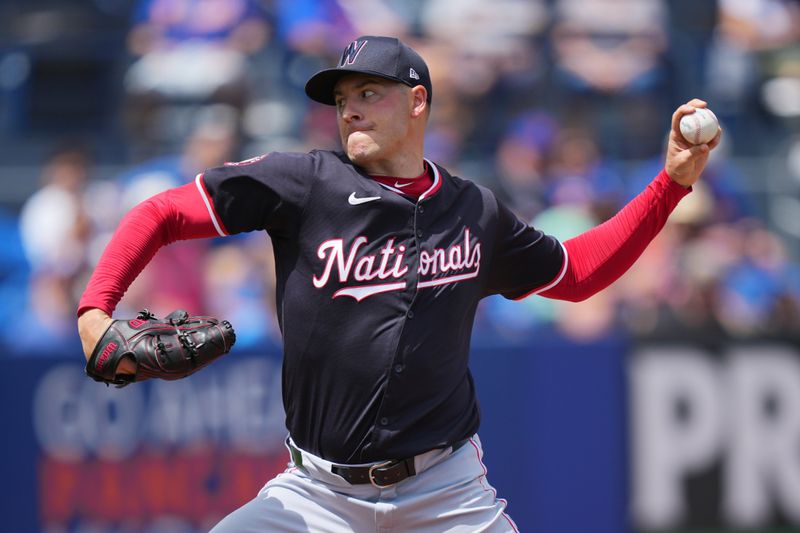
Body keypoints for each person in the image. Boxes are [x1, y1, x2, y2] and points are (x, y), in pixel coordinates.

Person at [77, 35, 721, 531]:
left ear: (418, 103)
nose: (349, 111)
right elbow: (158, 213)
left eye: (368, 94)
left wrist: (670, 184)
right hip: (316, 495)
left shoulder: (474, 210)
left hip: (446, 492)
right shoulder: (304, 183)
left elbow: (576, 274)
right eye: (341, 100)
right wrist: (94, 312)